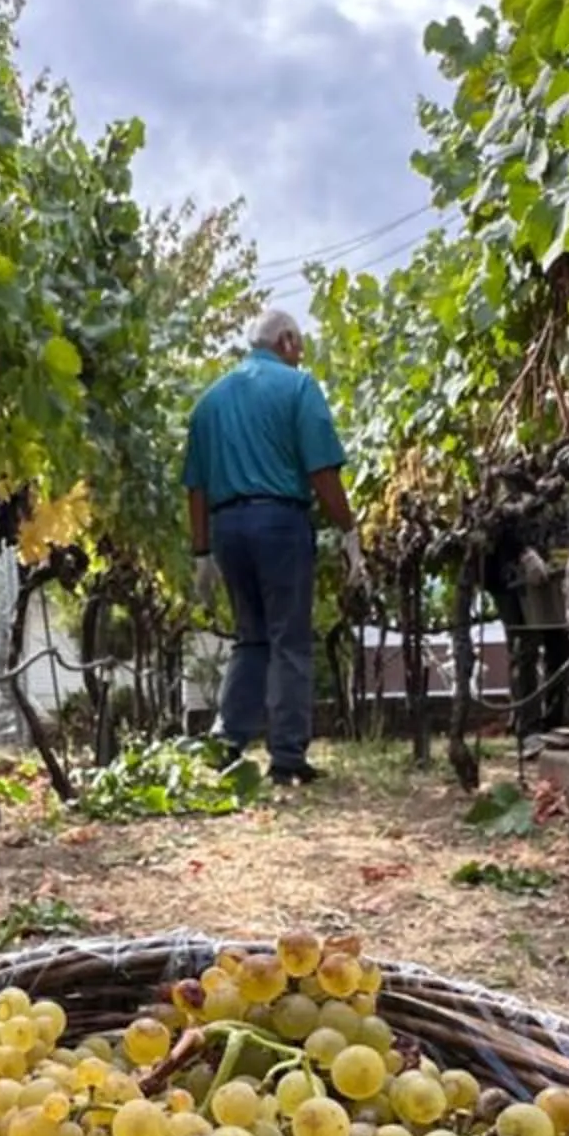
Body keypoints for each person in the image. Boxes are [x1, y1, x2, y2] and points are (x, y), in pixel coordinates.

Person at [184, 305, 362, 785]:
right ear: (284, 341)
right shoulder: (298, 387)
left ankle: (228, 742)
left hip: (227, 530)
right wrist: (349, 530)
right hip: (279, 522)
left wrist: (202, 553)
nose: (300, 356)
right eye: (299, 346)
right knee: (289, 637)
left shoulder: (209, 401)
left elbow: (196, 486)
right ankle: (286, 758)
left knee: (252, 635)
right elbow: (321, 470)